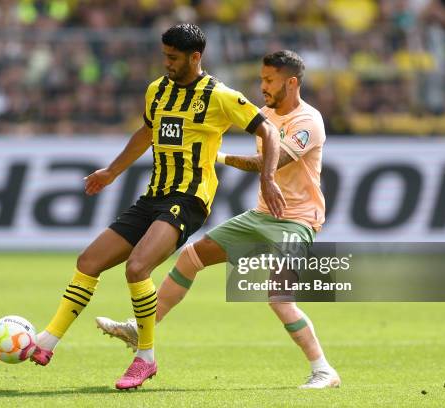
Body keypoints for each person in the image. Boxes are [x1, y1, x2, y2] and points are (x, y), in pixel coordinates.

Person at [30, 23, 286, 390]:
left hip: (189, 199)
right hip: (153, 196)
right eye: (164, 55)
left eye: (173, 57)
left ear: (195, 58)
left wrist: (268, 177)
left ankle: (145, 358)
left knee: (137, 268)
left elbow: (269, 132)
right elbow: (148, 131)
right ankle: (47, 342)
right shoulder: (157, 91)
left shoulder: (220, 95)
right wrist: (112, 171)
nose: (166, 62)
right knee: (88, 262)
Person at [96, 50, 341, 389]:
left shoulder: (308, 122)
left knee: (279, 298)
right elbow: (210, 119)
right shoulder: (265, 113)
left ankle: (324, 370)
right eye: (261, 79)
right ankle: (141, 330)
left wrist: (217, 156)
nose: (263, 86)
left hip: (297, 220)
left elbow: (269, 162)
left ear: (292, 82)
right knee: (190, 258)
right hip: (261, 215)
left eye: (270, 80)